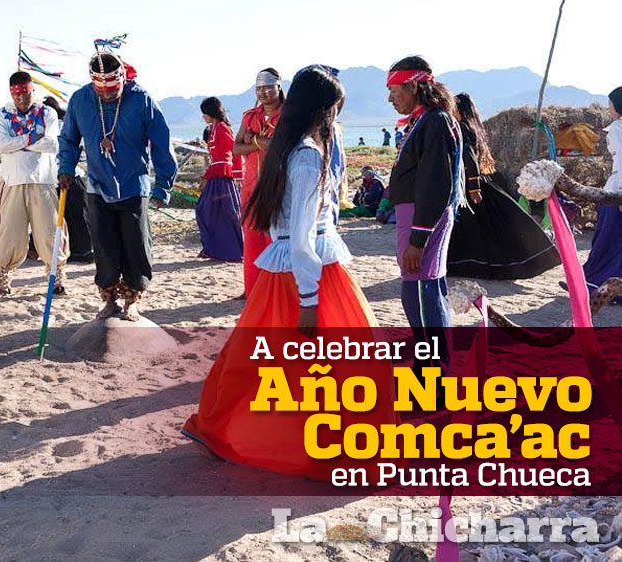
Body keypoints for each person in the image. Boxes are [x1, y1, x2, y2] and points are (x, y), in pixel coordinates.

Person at [182, 67, 396, 477]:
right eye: (336, 107)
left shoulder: (286, 148)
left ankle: (226, 427)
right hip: (311, 273)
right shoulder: (307, 157)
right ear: (324, 110)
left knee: (262, 360)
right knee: (347, 365)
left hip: (283, 271)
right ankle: (329, 447)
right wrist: (309, 298)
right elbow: (302, 238)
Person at [58, 50, 176, 321]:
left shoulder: (141, 100)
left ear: (122, 77)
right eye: (101, 91)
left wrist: (163, 185)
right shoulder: (80, 100)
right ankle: (109, 299)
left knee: (136, 245)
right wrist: (66, 167)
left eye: (113, 89)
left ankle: (132, 300)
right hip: (97, 185)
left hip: (134, 185)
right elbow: (68, 139)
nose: (108, 95)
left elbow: (162, 143)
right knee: (103, 246)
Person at [385, 56, 463, 374]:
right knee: (423, 292)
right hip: (417, 217)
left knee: (421, 295)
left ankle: (433, 375)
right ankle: (429, 368)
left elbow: (434, 182)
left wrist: (418, 239)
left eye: (394, 91)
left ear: (413, 87)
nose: (390, 99)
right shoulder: (425, 121)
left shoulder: (434, 121)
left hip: (422, 219)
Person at [446, 92, 560, 279]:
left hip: (470, 186)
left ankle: (469, 266)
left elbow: (469, 159)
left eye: (453, 108)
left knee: (474, 228)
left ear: (461, 110)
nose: (450, 111)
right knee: (485, 229)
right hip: (474, 184)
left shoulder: (463, 128)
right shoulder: (472, 128)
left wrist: (473, 188)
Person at [0, 72, 67, 295]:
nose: (22, 98)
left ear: (33, 90)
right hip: (13, 181)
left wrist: (18, 143)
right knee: (9, 232)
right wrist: (33, 138)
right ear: (11, 93)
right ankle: (1, 276)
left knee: (49, 231)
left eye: (26, 93)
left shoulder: (48, 112)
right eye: (17, 94)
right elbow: (3, 145)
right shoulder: (1, 115)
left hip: (43, 180)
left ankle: (56, 275)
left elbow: (51, 144)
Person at [235, 68, 284, 298]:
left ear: (278, 87)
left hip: (278, 186)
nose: (263, 92)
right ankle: (252, 290)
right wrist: (260, 142)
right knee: (252, 240)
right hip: (251, 187)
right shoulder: (250, 116)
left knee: (275, 239)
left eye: (268, 87)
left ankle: (275, 291)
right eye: (259, 88)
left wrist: (252, 138)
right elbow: (236, 148)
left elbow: (279, 146)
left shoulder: (287, 114)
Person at [44, 95, 94, 264]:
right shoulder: (53, 127)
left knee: (76, 216)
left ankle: (83, 250)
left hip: (69, 176)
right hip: (55, 177)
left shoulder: (61, 127)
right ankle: (70, 249)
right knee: (65, 216)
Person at [582, 86, 622, 293]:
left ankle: (595, 283)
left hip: (616, 192)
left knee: (608, 240)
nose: (609, 107)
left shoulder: (617, 128)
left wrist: (620, 195)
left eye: (611, 104)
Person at [196, 96, 243, 262]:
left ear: (211, 112)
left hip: (223, 176)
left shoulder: (222, 128)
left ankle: (231, 250)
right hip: (215, 175)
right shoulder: (213, 129)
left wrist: (238, 174)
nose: (203, 116)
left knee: (225, 212)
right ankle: (214, 248)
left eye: (204, 113)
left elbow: (235, 151)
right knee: (206, 210)